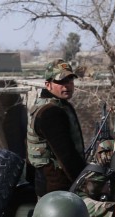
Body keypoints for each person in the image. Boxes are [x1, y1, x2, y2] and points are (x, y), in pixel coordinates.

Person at [26, 59, 86, 197]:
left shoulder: (53, 105)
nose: (67, 85)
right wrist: (88, 185)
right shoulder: (50, 112)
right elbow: (67, 156)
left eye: (70, 80)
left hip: (52, 187)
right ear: (48, 85)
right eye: (61, 81)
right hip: (57, 191)